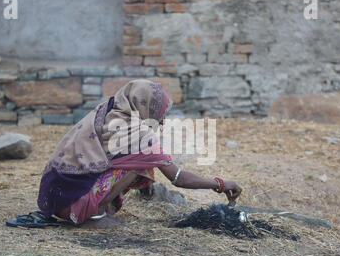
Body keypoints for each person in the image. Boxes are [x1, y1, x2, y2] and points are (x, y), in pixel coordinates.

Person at [36, 79, 242, 225]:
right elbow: (178, 178)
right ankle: (95, 216)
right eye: (159, 112)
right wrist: (221, 184)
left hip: (54, 195)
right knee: (141, 162)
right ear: (145, 107)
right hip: (73, 204)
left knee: (140, 160)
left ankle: (96, 209)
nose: (161, 120)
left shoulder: (107, 110)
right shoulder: (139, 137)